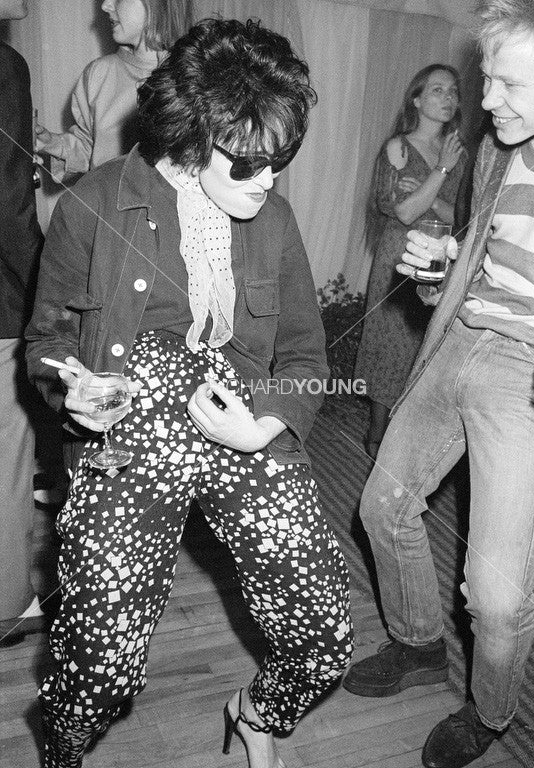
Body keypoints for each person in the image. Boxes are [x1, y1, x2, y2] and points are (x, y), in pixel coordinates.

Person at [25, 17, 353, 768]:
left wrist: (267, 424)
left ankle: (257, 715)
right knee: (99, 658)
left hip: (238, 409)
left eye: (282, 160)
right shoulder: (91, 204)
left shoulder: (273, 218)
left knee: (324, 630)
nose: (268, 181)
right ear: (194, 139)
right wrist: (67, 393)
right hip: (131, 418)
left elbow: (304, 350)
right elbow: (45, 345)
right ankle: (65, 748)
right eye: (248, 165)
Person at [342, 0, 534, 766]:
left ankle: (492, 712)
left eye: (507, 84)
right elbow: (482, 254)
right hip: (456, 342)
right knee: (382, 509)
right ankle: (417, 642)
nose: (485, 100)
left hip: (530, 375)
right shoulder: (497, 152)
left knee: (498, 597)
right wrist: (436, 273)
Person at [354, 64, 466, 458]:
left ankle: (411, 431)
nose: (448, 98)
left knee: (426, 341)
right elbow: (402, 212)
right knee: (393, 340)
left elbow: (464, 216)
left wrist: (430, 194)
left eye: (453, 91)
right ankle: (378, 429)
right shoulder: (398, 147)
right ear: (416, 100)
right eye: (438, 90)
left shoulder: (459, 154)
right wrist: (441, 172)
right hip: (400, 254)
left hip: (442, 256)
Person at [0, 0, 46, 647]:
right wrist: (50, 289)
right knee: (8, 457)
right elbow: (9, 204)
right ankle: (9, 606)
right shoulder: (4, 67)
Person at [34, 0, 195, 181]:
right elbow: (91, 148)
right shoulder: (98, 74)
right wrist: (53, 144)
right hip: (109, 206)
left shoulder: (195, 74)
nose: (105, 5)